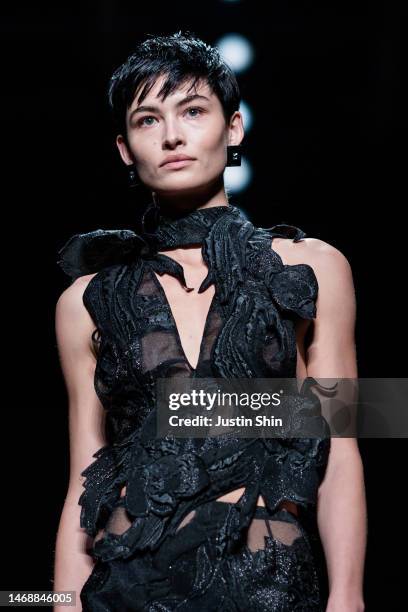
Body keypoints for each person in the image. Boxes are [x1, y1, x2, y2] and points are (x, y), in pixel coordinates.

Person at [53, 31, 366, 612]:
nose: (171, 135)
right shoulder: (85, 299)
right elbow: (84, 475)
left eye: (193, 111)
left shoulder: (315, 267)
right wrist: (59, 600)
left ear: (233, 128)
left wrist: (348, 595)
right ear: (125, 149)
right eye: (148, 120)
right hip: (125, 588)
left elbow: (340, 442)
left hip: (267, 583)